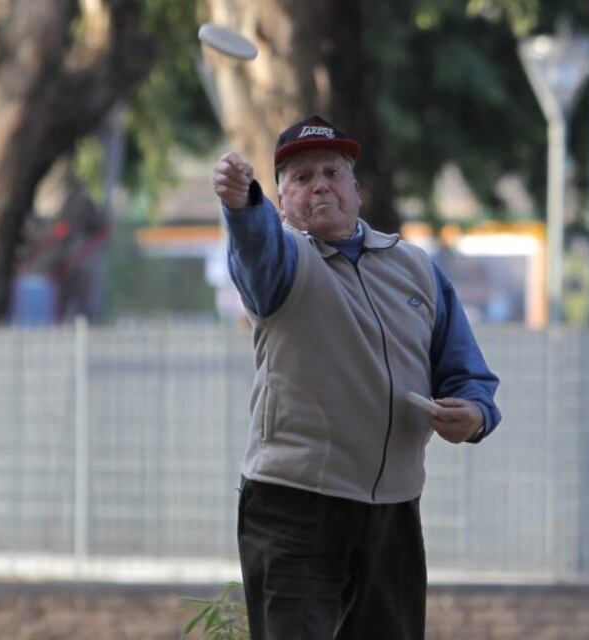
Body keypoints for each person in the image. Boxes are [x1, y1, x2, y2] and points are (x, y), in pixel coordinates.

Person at [212, 115, 501, 640]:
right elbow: (255, 249)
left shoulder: (416, 268)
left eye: (331, 172)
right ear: (281, 201)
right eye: (300, 178)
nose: (319, 184)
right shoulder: (283, 262)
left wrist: (475, 413)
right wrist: (240, 204)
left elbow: (466, 373)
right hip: (294, 504)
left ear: (356, 190)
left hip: (394, 512)